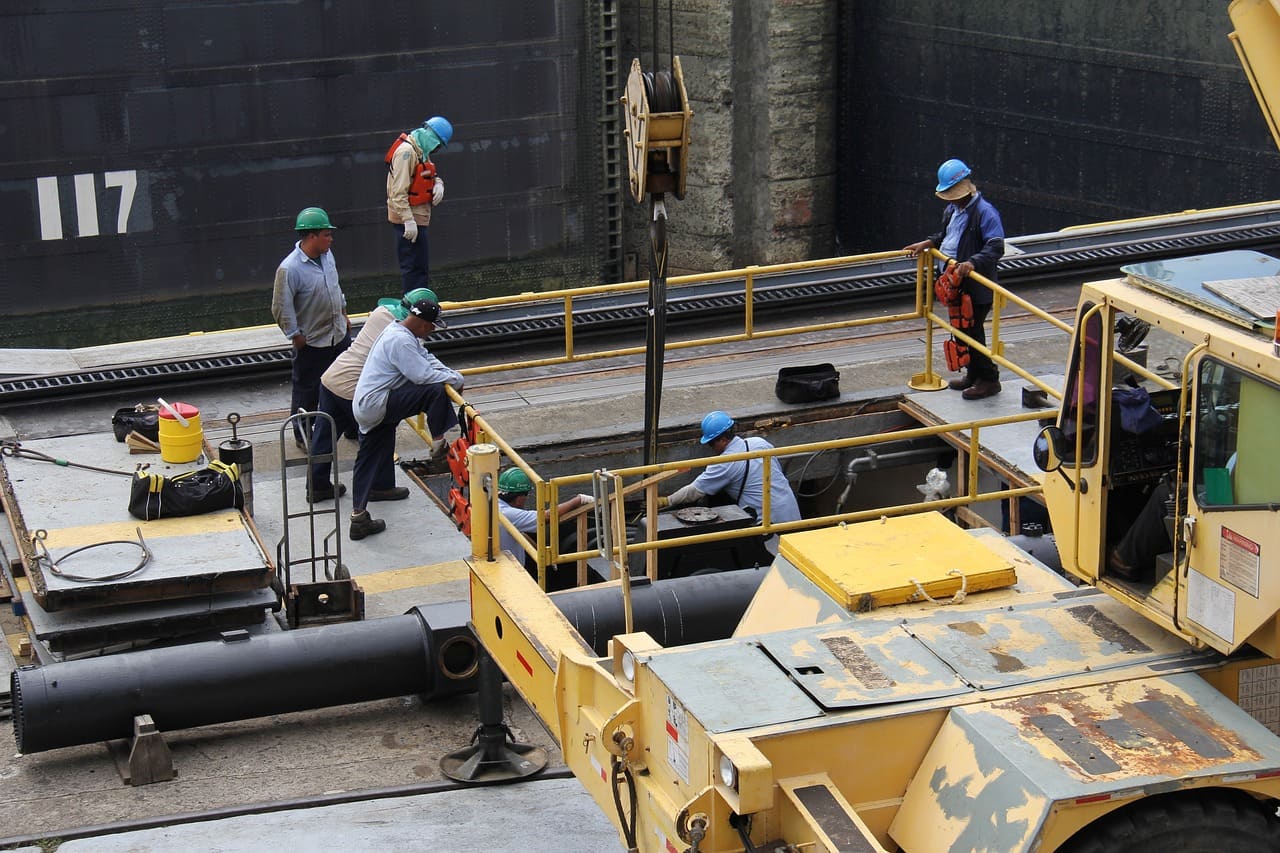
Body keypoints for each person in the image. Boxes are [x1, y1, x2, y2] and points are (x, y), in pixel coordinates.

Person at [305, 287, 438, 504]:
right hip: (354, 389)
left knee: (324, 436)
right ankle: (380, 486)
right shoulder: (403, 332)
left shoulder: (380, 312)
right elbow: (417, 368)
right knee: (381, 432)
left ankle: (317, 486)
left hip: (333, 377)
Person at [348, 296, 463, 540]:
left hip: (369, 404)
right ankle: (439, 446)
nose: (432, 331)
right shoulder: (400, 341)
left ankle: (358, 517)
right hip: (376, 403)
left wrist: (453, 375)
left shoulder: (399, 330)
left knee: (368, 457)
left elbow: (427, 359)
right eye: (432, 326)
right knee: (434, 392)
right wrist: (454, 381)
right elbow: (422, 375)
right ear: (423, 324)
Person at [903, 158, 1006, 400]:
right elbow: (949, 235)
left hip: (975, 286)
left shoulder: (985, 213)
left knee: (973, 331)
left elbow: (995, 247)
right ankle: (973, 374)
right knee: (961, 330)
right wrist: (929, 242)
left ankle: (989, 380)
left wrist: (972, 263)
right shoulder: (953, 210)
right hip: (954, 284)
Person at [271, 207, 351, 449]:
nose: (331, 238)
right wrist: (295, 336)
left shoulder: (327, 256)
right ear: (312, 236)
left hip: (338, 335)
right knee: (308, 390)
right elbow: (280, 306)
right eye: (327, 234)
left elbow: (335, 287)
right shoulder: (290, 268)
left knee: (346, 382)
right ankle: (303, 435)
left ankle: (350, 425)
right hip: (312, 342)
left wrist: (344, 314)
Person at [664, 411, 802, 526]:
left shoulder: (725, 462)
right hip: (792, 514)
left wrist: (667, 501)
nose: (711, 448)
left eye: (711, 443)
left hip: (769, 526)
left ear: (723, 440)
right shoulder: (760, 443)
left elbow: (694, 491)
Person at [386, 116, 453, 295]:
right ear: (432, 136)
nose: (437, 149)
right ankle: (413, 310)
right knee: (413, 269)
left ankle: (419, 307)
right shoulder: (406, 153)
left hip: (418, 219)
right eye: (438, 144)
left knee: (420, 269)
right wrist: (407, 220)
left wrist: (438, 184)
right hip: (409, 222)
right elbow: (397, 192)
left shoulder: (420, 150)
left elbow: (428, 173)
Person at [494, 467, 593, 566]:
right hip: (510, 572)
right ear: (520, 498)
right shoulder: (508, 514)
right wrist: (579, 500)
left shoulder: (492, 505)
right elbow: (546, 516)